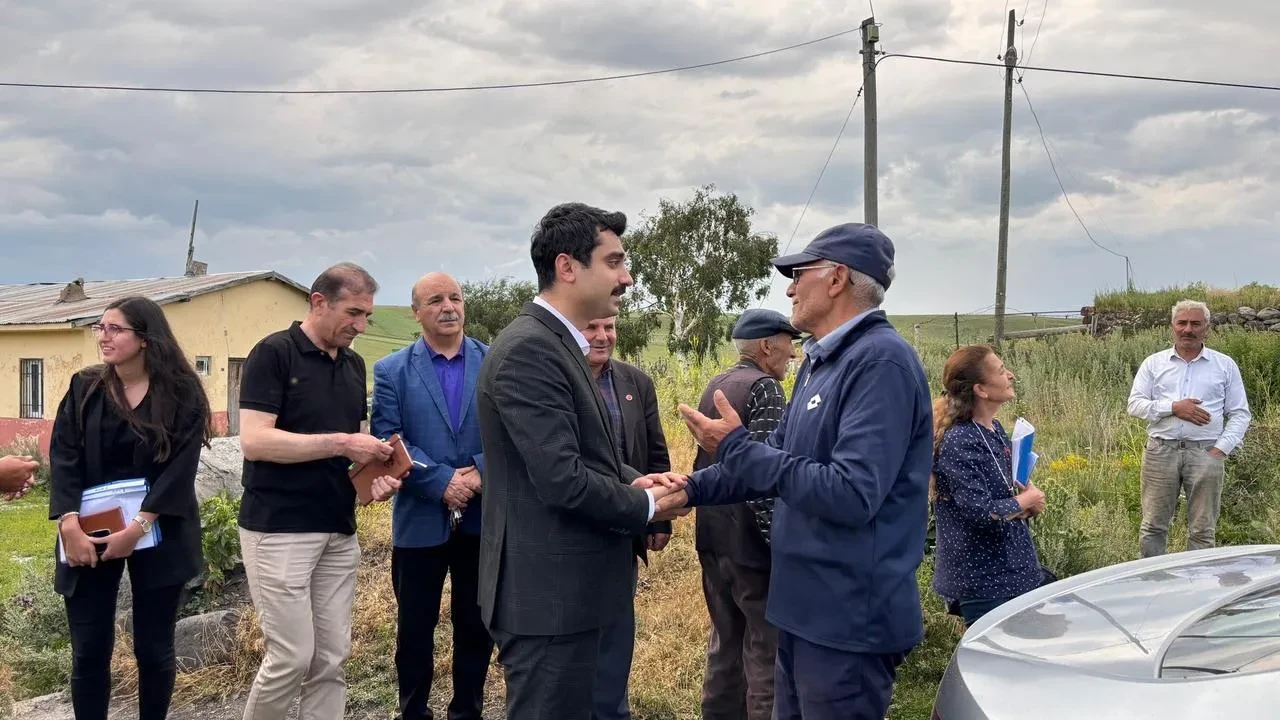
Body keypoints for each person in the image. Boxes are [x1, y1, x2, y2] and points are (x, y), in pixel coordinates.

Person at [670, 223, 934, 720]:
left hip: (846, 620)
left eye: (798, 273)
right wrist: (689, 488)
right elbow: (775, 453)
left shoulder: (881, 363)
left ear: (836, 279)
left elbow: (852, 493)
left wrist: (735, 447)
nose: (790, 287)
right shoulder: (821, 362)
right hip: (801, 610)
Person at [475, 202, 688, 719]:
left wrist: (638, 479)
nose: (627, 277)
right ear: (568, 267)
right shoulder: (531, 350)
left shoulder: (561, 346)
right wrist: (646, 507)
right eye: (614, 262)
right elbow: (561, 480)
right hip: (551, 603)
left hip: (580, 595)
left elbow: (590, 455)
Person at [237, 263, 402, 720]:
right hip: (279, 529)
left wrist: (376, 476)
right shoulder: (273, 353)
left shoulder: (351, 366)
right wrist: (342, 442)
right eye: (353, 312)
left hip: (337, 526)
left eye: (367, 315)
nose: (361, 326)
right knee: (291, 657)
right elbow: (255, 440)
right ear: (318, 302)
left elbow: (352, 453)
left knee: (331, 658)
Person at [47, 296, 213, 720]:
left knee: (154, 649)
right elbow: (64, 455)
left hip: (160, 530)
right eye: (100, 328)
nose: (103, 337)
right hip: (87, 531)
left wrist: (137, 528)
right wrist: (68, 524)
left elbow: (180, 469)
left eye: (114, 329)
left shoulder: (182, 393)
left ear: (145, 338)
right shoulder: (85, 387)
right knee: (88, 650)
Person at [371, 272, 493, 720]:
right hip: (419, 523)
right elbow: (389, 439)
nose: (448, 306)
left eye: (456, 298)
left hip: (483, 521)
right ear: (415, 312)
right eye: (436, 299)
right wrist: (442, 482)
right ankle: (413, 711)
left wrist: (479, 473)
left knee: (476, 627)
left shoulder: (495, 361)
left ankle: (468, 711)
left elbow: (512, 433)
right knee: (415, 630)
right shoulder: (391, 371)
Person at [693, 308, 799, 720]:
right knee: (765, 652)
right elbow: (763, 475)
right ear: (767, 345)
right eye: (789, 343)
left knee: (725, 641)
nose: (793, 353)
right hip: (751, 544)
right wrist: (779, 544)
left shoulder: (718, 383)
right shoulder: (766, 389)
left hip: (713, 536)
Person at [582, 314, 673, 720]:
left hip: (625, 526)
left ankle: (612, 709)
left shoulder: (636, 382)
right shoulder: (560, 381)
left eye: (610, 327)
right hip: (574, 527)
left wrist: (658, 518)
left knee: (617, 628)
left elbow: (655, 452)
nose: (603, 337)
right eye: (592, 328)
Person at [930, 344, 1048, 627]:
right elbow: (981, 512)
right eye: (1000, 370)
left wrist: (1029, 504)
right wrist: (1027, 500)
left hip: (1014, 568)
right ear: (980, 390)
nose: (1010, 375)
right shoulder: (960, 440)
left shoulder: (993, 430)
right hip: (983, 580)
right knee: (996, 666)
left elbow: (1003, 497)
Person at [1127, 299, 1251, 558]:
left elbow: (1240, 413)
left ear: (1206, 327)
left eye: (1196, 323)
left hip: (1205, 453)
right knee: (1153, 526)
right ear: (1172, 326)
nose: (1188, 329)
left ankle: (1198, 588)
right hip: (1161, 452)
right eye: (1182, 323)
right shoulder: (1154, 363)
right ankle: (1154, 586)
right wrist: (1174, 407)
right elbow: (1135, 405)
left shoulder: (1224, 365)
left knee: (1203, 530)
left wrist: (1220, 450)